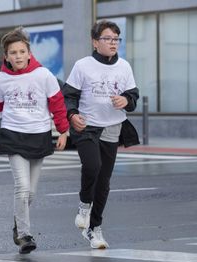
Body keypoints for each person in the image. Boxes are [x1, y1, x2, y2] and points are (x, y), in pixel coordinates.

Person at [0, 27, 69, 254]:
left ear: (29, 53)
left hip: (39, 135)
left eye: (22, 51)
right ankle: (24, 235)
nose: (18, 56)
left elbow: (57, 105)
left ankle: (17, 224)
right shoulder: (2, 79)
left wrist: (63, 131)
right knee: (21, 188)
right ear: (6, 56)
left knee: (30, 193)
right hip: (13, 134)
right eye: (13, 52)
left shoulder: (44, 75)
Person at [62, 20, 139, 249]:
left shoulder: (124, 66)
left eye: (116, 39)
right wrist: (72, 114)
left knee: (104, 183)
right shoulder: (82, 66)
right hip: (87, 126)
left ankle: (94, 229)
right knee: (92, 166)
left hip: (112, 127)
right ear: (95, 42)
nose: (113, 43)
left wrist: (126, 100)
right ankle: (84, 204)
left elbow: (133, 96)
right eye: (108, 38)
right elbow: (69, 96)